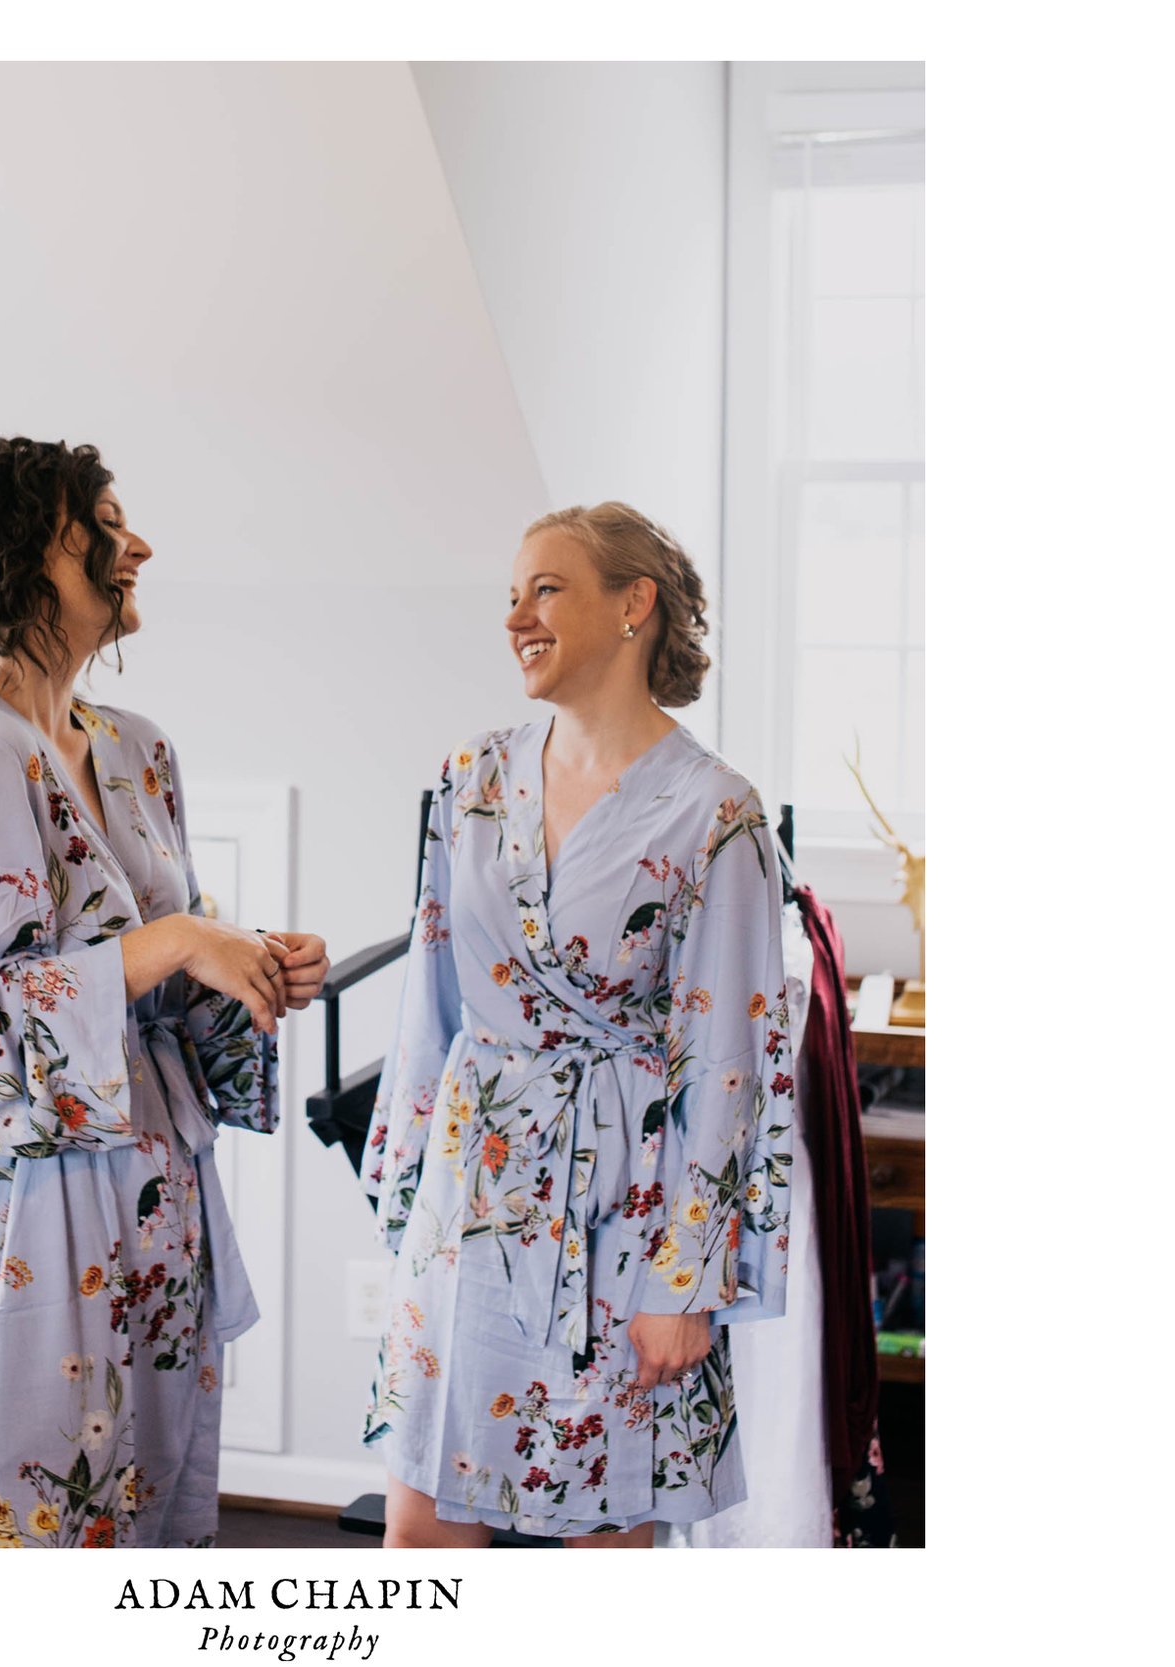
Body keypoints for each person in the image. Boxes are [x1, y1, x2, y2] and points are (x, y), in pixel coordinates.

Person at [0, 436, 328, 1547]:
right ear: (35, 551)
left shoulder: (137, 748)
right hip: (17, 1216)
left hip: (151, 1199)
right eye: (110, 525)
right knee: (25, 1520)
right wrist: (179, 941)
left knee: (149, 1512)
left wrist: (245, 962)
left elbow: (153, 973)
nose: (141, 546)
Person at [359, 501, 798, 1546]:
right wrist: (407, 1182)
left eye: (544, 589)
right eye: (510, 595)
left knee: (598, 1539)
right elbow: (435, 990)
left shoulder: (714, 813)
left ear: (632, 604)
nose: (516, 615)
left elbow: (730, 1060)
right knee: (419, 1523)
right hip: (472, 1190)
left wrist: (683, 1279)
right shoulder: (470, 779)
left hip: (624, 1208)